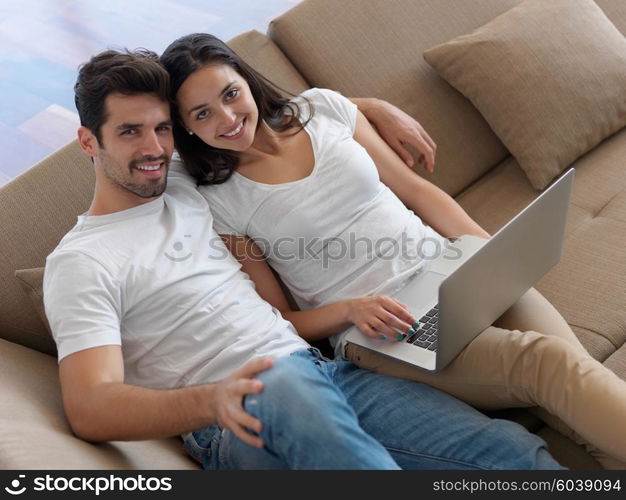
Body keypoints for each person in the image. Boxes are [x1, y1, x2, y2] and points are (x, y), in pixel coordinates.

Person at [41, 48, 566, 471]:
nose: (153, 147)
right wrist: (214, 399)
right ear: (88, 141)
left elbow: (247, 115)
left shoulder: (186, 184)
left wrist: (363, 108)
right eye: (129, 132)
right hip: (239, 410)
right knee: (285, 385)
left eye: (162, 129)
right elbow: (91, 407)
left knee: (514, 454)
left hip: (327, 373)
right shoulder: (83, 261)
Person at [160, 33, 626, 469]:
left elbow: (417, 192)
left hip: (457, 270)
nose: (226, 118)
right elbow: (280, 318)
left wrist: (489, 250)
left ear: (246, 79)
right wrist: (351, 310)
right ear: (184, 129)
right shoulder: (218, 199)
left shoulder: (323, 109)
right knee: (547, 363)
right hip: (387, 333)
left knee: (576, 380)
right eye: (200, 114)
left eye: (229, 94)